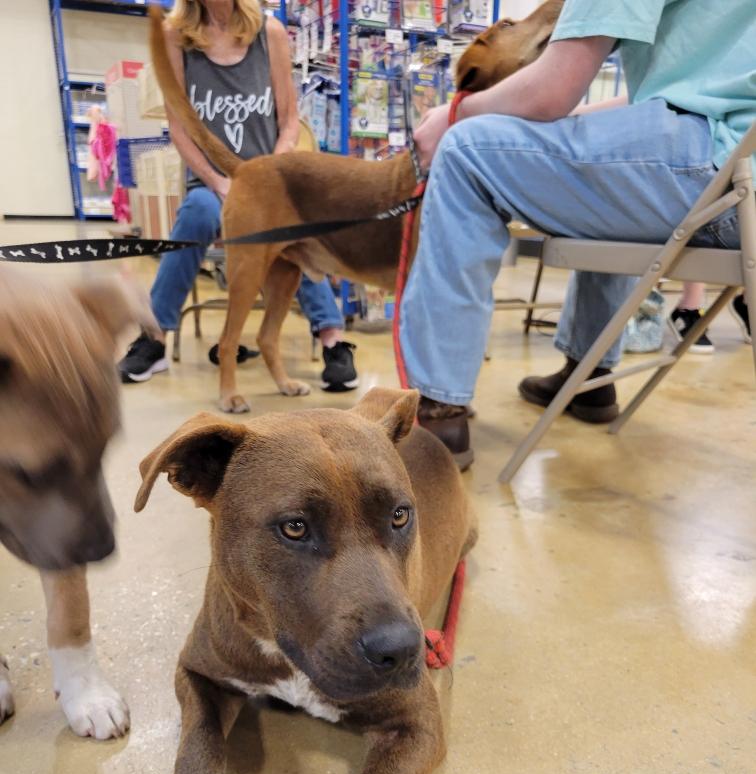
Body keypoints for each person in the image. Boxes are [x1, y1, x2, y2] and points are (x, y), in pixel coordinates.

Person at [401, 0, 756, 467]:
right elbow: (682, 95)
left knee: (466, 150)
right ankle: (588, 377)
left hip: (713, 166)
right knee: (611, 160)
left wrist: (454, 116)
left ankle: (437, 405)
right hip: (737, 170)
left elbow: (553, 89)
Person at [118, 0, 358, 393]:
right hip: (213, 181)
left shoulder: (271, 31)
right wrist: (217, 180)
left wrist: (269, 176)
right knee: (196, 212)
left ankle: (331, 336)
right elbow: (179, 127)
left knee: (296, 228)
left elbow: (288, 120)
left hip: (268, 185)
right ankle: (155, 336)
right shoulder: (174, 35)